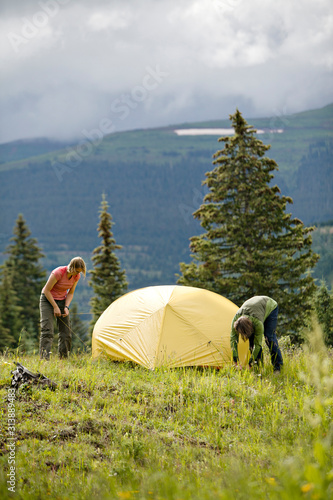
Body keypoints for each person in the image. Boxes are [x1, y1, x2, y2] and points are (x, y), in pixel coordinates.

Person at [39, 256, 86, 359]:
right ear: (72, 267)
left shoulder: (76, 276)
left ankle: (63, 359)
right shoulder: (58, 272)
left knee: (66, 332)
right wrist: (55, 307)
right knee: (47, 330)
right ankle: (44, 360)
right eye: (76, 271)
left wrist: (66, 307)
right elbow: (47, 290)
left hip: (62, 301)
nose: (77, 274)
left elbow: (71, 293)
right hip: (47, 300)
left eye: (79, 272)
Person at [230, 295, 283, 372]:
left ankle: (278, 368)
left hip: (270, 306)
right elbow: (233, 340)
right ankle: (258, 367)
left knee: (269, 338)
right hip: (255, 307)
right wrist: (236, 361)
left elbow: (258, 344)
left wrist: (249, 364)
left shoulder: (257, 323)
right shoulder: (236, 322)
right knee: (251, 340)